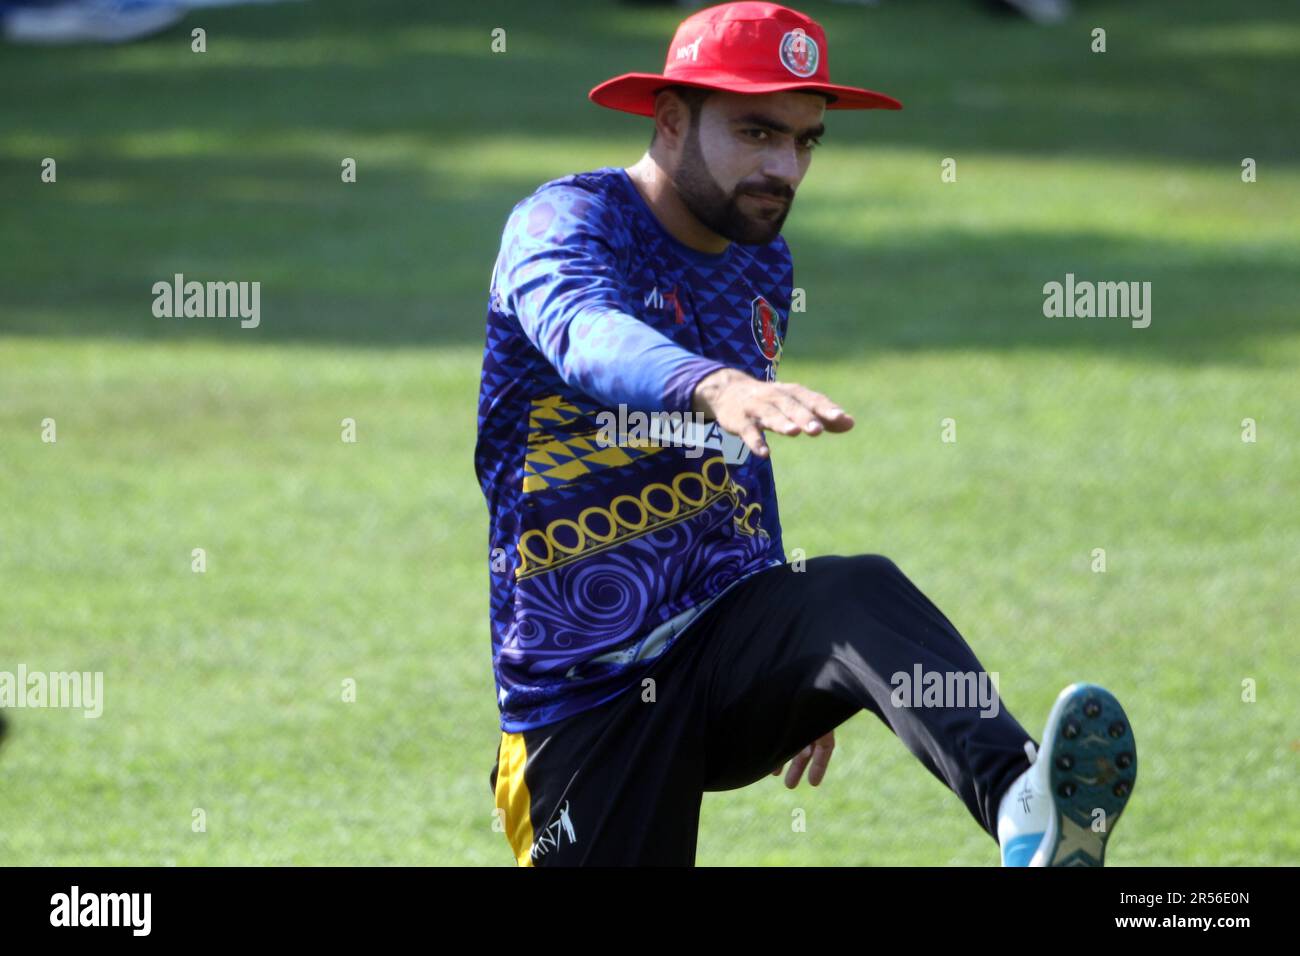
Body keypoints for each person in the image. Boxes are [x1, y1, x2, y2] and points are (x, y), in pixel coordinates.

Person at [475, 0, 1135, 866]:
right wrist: (711, 383)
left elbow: (734, 459)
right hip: (584, 692)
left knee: (853, 593)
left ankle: (1024, 805)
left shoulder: (760, 261)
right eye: (756, 132)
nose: (784, 166)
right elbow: (585, 331)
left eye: (805, 140)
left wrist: (801, 664)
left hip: (719, 652)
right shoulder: (565, 225)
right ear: (670, 119)